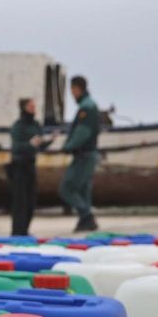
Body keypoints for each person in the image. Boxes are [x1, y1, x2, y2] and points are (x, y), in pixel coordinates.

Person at [58, 76, 102, 233]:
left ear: (77, 88)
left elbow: (83, 132)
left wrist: (68, 146)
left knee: (67, 188)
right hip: (89, 154)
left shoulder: (86, 107)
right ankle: (86, 221)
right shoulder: (89, 105)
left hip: (84, 154)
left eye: (72, 89)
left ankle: (87, 216)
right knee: (83, 189)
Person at [7, 98, 50, 236]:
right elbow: (16, 147)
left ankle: (25, 230)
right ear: (24, 108)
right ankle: (17, 231)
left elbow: (40, 144)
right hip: (19, 166)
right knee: (20, 201)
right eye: (31, 106)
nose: (33, 108)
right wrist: (30, 144)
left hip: (31, 165)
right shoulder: (18, 126)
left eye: (34, 106)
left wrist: (48, 141)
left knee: (31, 201)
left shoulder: (36, 125)